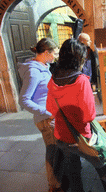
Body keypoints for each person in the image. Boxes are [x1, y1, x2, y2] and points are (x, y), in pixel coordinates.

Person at [46, 38, 106, 192]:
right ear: (78, 59)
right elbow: (89, 116)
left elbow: (51, 111)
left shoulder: (52, 80)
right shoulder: (81, 81)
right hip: (82, 139)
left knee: (74, 173)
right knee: (102, 168)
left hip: (62, 137)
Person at [18, 38, 61, 192]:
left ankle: (57, 182)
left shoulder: (43, 65)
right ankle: (54, 186)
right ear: (45, 52)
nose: (56, 56)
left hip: (50, 116)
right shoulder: (33, 71)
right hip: (46, 120)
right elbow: (24, 100)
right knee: (53, 153)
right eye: (54, 53)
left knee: (56, 151)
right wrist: (47, 113)